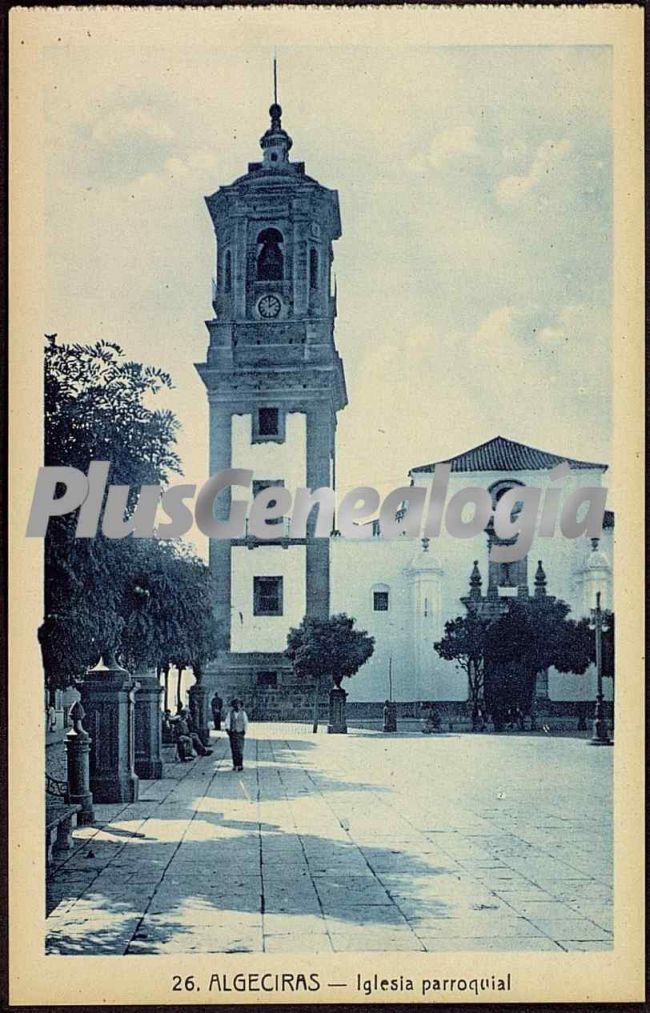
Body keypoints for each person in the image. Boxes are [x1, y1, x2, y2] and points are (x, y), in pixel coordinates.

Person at [224, 698, 249, 771]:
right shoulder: (230, 713)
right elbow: (227, 722)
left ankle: (240, 764)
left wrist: (244, 730)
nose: (237, 706)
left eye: (239, 705)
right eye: (236, 705)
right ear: (233, 706)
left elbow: (245, 722)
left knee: (240, 750)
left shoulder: (243, 713)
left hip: (240, 733)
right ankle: (235, 764)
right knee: (234, 749)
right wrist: (228, 730)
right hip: (233, 733)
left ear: (241, 706)